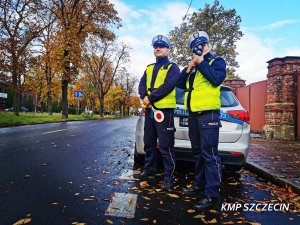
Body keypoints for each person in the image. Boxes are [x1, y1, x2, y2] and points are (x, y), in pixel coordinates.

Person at [177, 30, 226, 210]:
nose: (201, 48)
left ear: (209, 45)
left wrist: (202, 62)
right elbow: (179, 84)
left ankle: (211, 194)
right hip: (193, 115)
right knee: (197, 153)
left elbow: (216, 79)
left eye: (203, 44)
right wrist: (189, 67)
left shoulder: (216, 61)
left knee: (210, 154)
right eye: (196, 46)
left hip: (208, 115)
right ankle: (199, 185)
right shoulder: (194, 68)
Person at [138, 35, 180, 190]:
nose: (158, 48)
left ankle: (169, 177)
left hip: (164, 112)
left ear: (168, 50)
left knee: (166, 146)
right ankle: (149, 171)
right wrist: (144, 97)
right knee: (149, 143)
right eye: (156, 46)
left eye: (162, 46)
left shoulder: (173, 68)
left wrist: (151, 98)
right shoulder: (148, 68)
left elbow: (168, 86)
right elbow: (142, 85)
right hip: (150, 112)